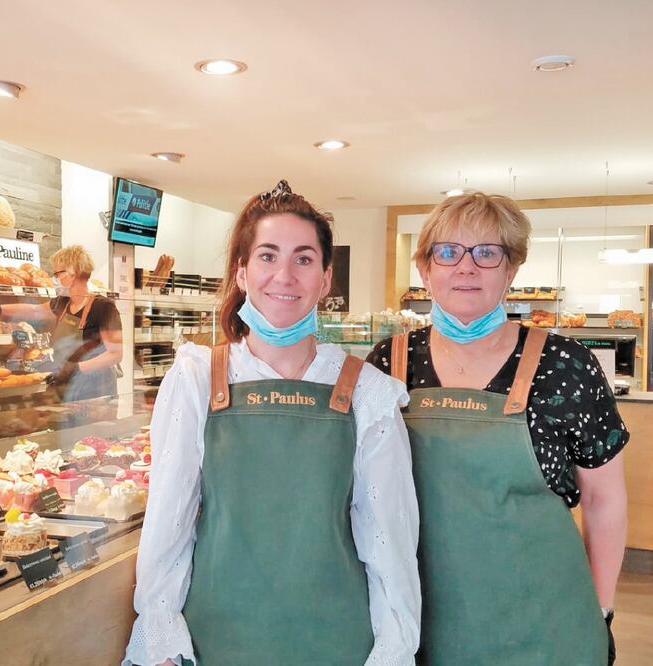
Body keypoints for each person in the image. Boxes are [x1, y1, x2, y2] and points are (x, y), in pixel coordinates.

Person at [124, 180, 420, 666]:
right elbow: (168, 524)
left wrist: (393, 651)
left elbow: (389, 543)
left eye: (304, 259)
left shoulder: (367, 391)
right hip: (216, 641)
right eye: (267, 256)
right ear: (241, 272)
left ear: (325, 279)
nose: (284, 275)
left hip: (338, 644)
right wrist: (160, 636)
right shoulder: (198, 378)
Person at [367, 192, 628, 665]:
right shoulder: (389, 364)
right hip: (419, 622)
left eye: (487, 252)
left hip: (545, 623)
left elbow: (603, 499)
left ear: (511, 269)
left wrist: (600, 608)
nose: (466, 267)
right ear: (425, 269)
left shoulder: (566, 365)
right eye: (448, 252)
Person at [0, 245, 123, 401]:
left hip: (97, 390)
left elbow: (115, 354)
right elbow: (35, 310)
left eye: (58, 273)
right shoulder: (63, 303)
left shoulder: (104, 307)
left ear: (72, 273)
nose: (56, 279)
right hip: (71, 386)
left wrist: (76, 368)